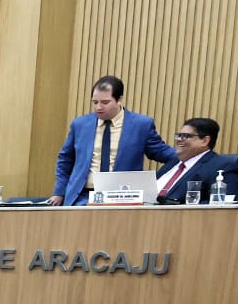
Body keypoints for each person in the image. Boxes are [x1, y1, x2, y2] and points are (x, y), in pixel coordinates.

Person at [51, 75, 175, 206]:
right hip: (82, 196)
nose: (99, 107)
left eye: (105, 102)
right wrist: (60, 192)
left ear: (119, 99)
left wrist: (188, 157)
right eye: (95, 102)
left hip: (122, 197)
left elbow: (163, 153)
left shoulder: (141, 125)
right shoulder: (80, 124)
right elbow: (65, 159)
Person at [154, 118, 238, 203]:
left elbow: (220, 204)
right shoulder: (173, 163)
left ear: (204, 141)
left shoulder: (222, 167)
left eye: (186, 136)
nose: (179, 139)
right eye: (179, 135)